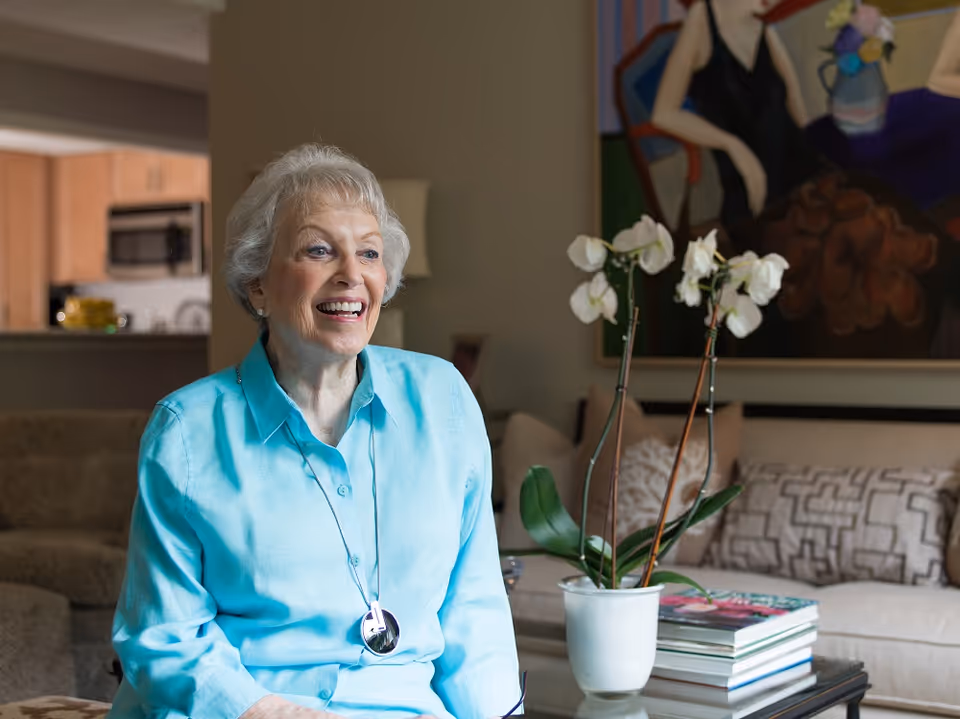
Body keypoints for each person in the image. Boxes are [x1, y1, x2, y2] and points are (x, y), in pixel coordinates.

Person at [107, 144, 522, 719]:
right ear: (257, 284)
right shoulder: (187, 432)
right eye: (319, 250)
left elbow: (474, 604)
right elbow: (163, 636)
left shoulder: (444, 398)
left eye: (369, 253)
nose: (351, 275)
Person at [650, 0, 958, 358]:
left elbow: (800, 120)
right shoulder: (703, 26)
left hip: (807, 181)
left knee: (887, 213)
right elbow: (663, 113)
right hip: (758, 200)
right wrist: (733, 147)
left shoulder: (765, 33)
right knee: (849, 254)